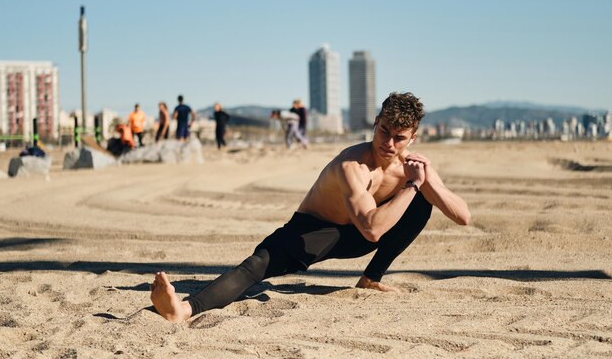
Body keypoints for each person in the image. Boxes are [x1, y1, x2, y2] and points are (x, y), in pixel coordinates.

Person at [151, 92, 470, 322]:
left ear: (413, 138)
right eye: (383, 131)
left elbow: (463, 217)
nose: (388, 143)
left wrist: (430, 183)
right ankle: (184, 309)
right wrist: (414, 185)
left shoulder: (413, 165)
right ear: (375, 123)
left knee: (421, 204)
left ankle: (371, 277)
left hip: (358, 235)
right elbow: (372, 230)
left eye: (399, 137)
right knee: (255, 267)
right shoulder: (353, 165)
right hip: (314, 231)